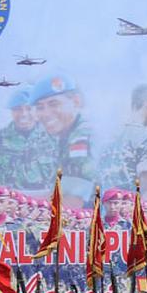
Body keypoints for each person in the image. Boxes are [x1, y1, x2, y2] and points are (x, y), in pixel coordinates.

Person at [26, 74, 95, 204]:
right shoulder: (68, 135)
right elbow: (60, 193)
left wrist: (9, 198)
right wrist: (9, 194)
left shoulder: (81, 139)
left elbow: (72, 201)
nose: (46, 114)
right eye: (40, 107)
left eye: (54, 104)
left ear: (76, 101)